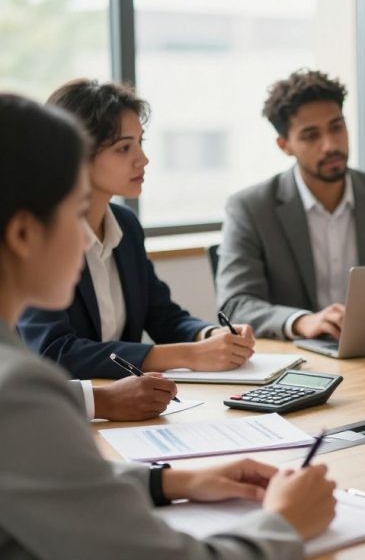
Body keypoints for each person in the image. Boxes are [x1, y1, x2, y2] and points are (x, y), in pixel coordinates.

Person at [0, 92, 336, 558]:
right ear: (21, 234)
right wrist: (283, 525)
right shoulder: (18, 392)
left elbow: (45, 472)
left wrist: (173, 480)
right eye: (72, 210)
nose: (85, 235)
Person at [16, 80, 256, 421]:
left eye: (140, 143)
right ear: (78, 154)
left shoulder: (126, 225)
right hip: (64, 416)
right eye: (124, 148)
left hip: (132, 414)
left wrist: (211, 336)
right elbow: (54, 351)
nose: (143, 158)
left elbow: (162, 315)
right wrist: (189, 355)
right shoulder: (41, 236)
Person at [217, 69, 365, 341]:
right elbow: (236, 304)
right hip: (300, 358)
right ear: (285, 145)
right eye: (311, 135)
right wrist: (302, 321)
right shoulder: (250, 208)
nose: (330, 145)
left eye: (336, 127)